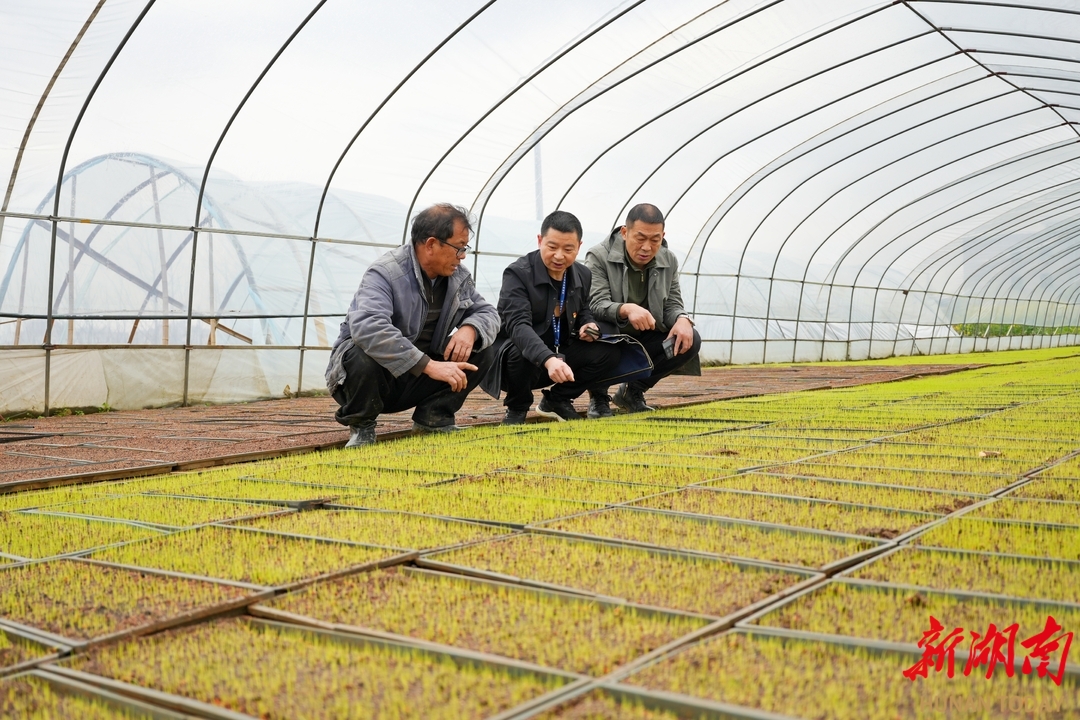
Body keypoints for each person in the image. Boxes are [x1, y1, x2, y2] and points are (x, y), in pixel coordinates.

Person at [325, 204, 499, 447]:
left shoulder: (457, 276)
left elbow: (488, 313)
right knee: (362, 352)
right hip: (374, 380)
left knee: (484, 346)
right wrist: (428, 365)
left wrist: (471, 329)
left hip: (415, 379)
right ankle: (362, 425)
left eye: (465, 248)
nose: (463, 256)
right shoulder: (385, 273)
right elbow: (368, 326)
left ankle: (434, 417)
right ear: (430, 244)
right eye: (459, 248)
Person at [482, 210, 622, 424]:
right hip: (516, 362)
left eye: (568, 249)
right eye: (552, 247)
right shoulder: (518, 274)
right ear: (540, 241)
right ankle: (517, 409)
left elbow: (583, 308)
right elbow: (518, 327)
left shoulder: (582, 275)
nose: (559, 256)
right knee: (522, 349)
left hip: (558, 353)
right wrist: (547, 359)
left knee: (610, 348)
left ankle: (558, 399)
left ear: (579, 247)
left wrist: (588, 324)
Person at [585, 203, 701, 416]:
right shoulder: (599, 256)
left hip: (646, 334)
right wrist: (626, 309)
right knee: (598, 326)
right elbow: (596, 303)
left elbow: (672, 303)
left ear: (662, 235)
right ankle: (599, 397)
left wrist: (683, 318)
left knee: (688, 337)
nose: (647, 247)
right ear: (624, 232)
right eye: (640, 238)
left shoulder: (669, 259)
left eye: (655, 240)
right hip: (612, 334)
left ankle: (633, 392)